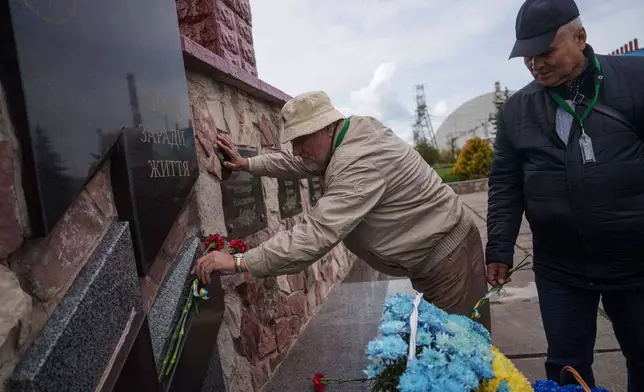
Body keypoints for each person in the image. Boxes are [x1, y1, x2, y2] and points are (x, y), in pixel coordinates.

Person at [193, 90, 491, 331]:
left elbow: (316, 234)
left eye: (300, 139)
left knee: (458, 361)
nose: (296, 148)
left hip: (450, 265)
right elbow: (300, 163)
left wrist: (238, 262)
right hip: (443, 258)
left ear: (325, 128)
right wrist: (249, 163)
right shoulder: (350, 133)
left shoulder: (357, 161)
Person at [486, 0, 644, 389]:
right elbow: (506, 184)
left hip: (636, 263)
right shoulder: (516, 111)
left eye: (546, 51)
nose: (535, 63)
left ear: (580, 37)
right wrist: (499, 249)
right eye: (526, 55)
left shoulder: (636, 79)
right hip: (561, 268)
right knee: (566, 366)